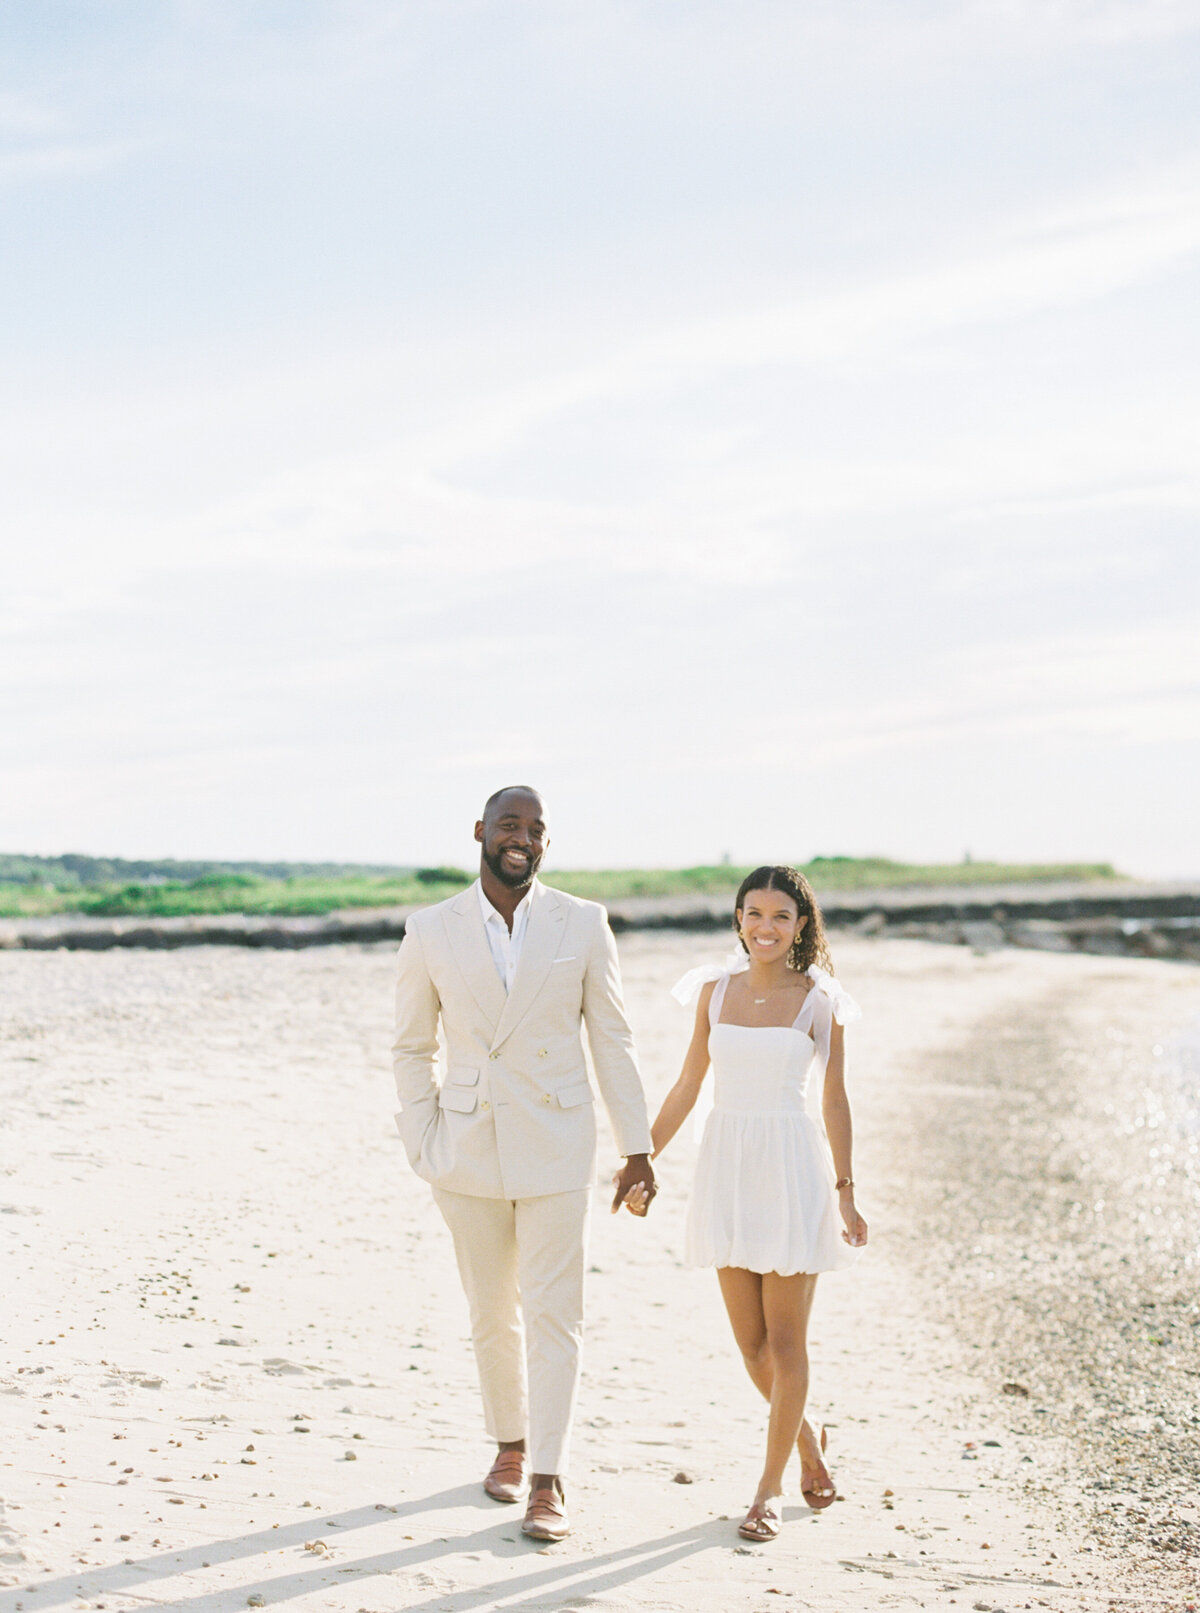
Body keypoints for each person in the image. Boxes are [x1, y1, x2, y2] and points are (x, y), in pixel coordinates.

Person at [391, 786, 656, 1542]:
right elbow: (411, 1046)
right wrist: (424, 1134)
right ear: (480, 832)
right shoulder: (430, 928)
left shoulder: (584, 921)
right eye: (511, 824)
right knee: (490, 1310)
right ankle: (507, 1442)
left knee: (554, 1312)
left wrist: (636, 1147)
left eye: (536, 828)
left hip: (557, 1141)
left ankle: (547, 1474)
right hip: (465, 1146)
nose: (524, 837)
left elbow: (614, 1037)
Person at [624, 864, 867, 1543]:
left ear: (800, 925)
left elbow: (836, 1099)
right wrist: (641, 1157)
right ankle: (810, 1446)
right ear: (738, 918)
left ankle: (768, 1489)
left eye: (781, 915)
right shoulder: (712, 990)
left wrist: (848, 1194)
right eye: (754, 912)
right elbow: (685, 1085)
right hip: (726, 1167)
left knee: (787, 1341)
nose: (766, 925)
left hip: (791, 1170)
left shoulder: (822, 999)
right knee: (751, 1345)